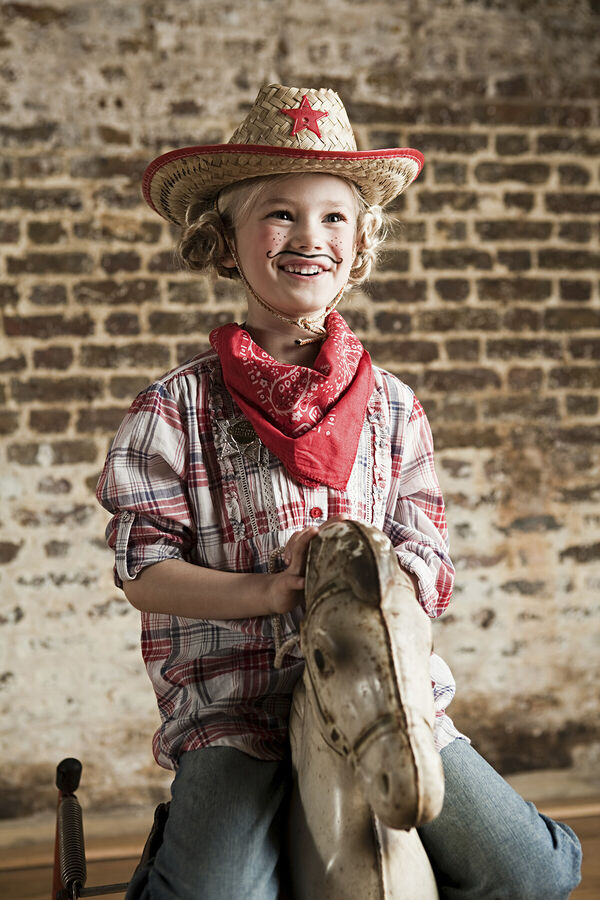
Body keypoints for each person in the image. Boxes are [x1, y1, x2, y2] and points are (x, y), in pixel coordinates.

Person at [97, 83, 582, 899]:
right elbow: (143, 569)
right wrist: (272, 591)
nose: (308, 237)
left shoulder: (394, 406)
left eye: (332, 217)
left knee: (532, 873)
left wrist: (360, 576)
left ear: (358, 246)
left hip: (380, 694)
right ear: (226, 241)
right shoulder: (173, 408)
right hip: (240, 707)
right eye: (279, 214)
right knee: (217, 892)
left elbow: (429, 561)